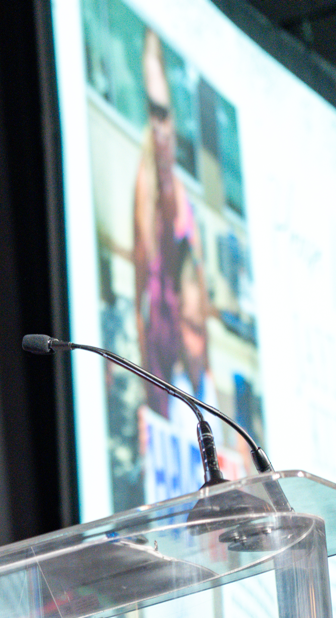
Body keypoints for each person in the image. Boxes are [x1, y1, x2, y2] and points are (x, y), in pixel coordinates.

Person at [132, 28, 205, 417]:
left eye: (164, 115)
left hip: (184, 355)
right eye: (152, 114)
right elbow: (140, 292)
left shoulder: (183, 203)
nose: (159, 127)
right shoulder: (145, 191)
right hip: (159, 354)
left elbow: (198, 307)